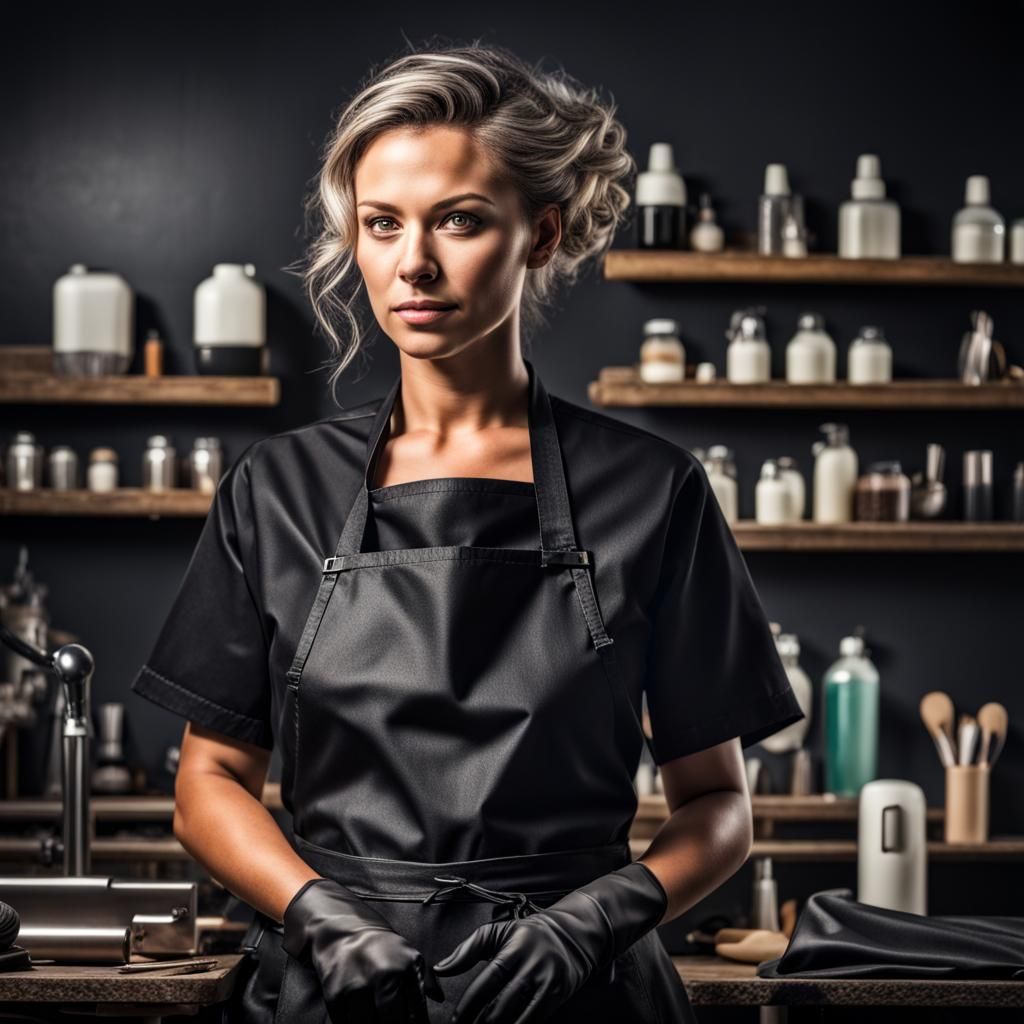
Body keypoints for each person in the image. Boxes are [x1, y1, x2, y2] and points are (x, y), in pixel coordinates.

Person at [131, 41, 805, 1024]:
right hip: (340, 991)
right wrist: (318, 914)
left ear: (539, 235)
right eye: (382, 224)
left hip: (580, 996)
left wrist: (596, 920)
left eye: (458, 220)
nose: (415, 262)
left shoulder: (654, 490)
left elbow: (719, 805)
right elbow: (209, 783)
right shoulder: (276, 488)